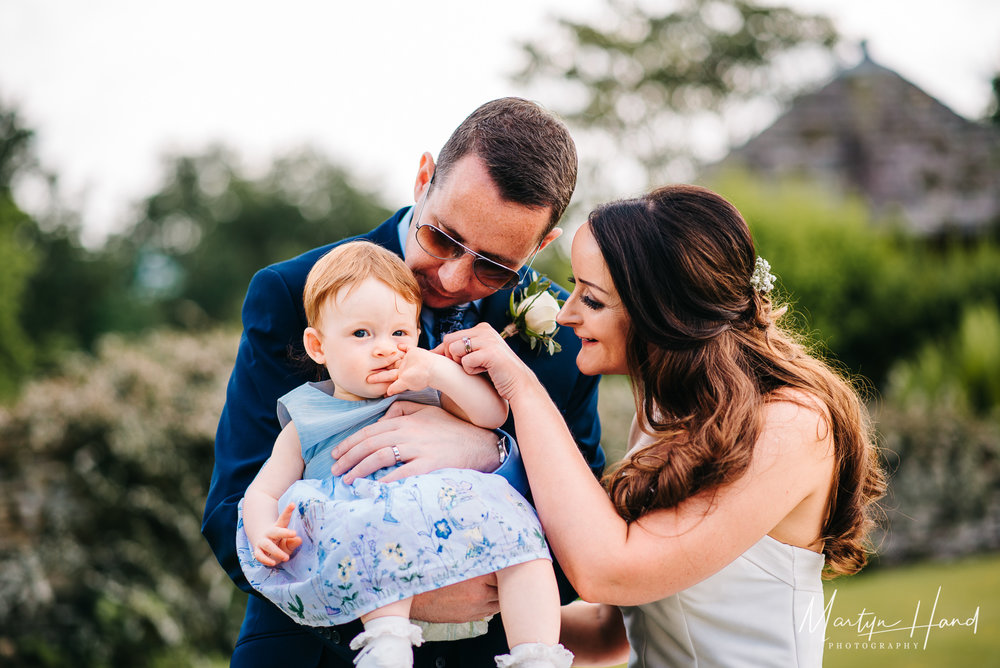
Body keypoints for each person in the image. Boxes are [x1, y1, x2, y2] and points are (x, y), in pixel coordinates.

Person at [202, 97, 605, 668]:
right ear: (423, 180)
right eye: (442, 238)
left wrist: (493, 450)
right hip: (313, 652)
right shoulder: (293, 293)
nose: (451, 277)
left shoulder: (563, 336)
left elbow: (588, 518)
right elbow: (233, 506)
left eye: (493, 266)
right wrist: (390, 578)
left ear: (541, 246)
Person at [422, 184, 887, 666]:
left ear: (665, 314)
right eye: (574, 287)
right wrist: (420, 611)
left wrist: (522, 387)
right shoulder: (663, 415)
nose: (566, 313)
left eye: (594, 300)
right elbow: (613, 631)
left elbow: (610, 570)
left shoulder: (792, 426)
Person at [237, 241, 572, 668]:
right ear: (318, 346)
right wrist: (265, 531)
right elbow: (261, 491)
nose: (384, 347)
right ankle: (386, 643)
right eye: (361, 334)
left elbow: (492, 414)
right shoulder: (308, 415)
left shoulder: (425, 389)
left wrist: (437, 369)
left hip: (458, 534)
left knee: (525, 547)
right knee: (368, 531)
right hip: (371, 541)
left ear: (415, 334)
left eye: (399, 333)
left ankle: (535, 653)